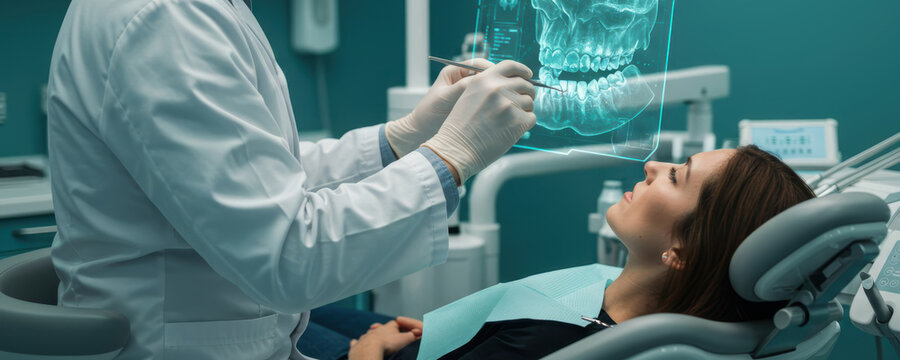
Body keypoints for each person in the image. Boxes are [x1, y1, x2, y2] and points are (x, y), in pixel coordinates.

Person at [46, 0, 535, 358]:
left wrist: (402, 140)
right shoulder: (167, 18)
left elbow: (257, 177)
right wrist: (451, 157)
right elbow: (287, 255)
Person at [345, 145, 817, 360]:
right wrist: (470, 334)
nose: (654, 165)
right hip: (440, 339)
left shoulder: (550, 343)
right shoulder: (619, 309)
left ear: (683, 250)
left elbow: (532, 339)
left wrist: (367, 354)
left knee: (291, 321)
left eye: (677, 175)